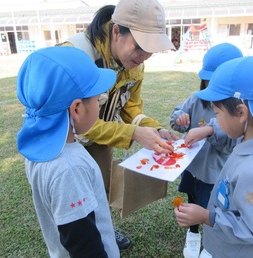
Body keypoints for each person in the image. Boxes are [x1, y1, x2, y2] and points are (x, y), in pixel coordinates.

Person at [58, 0, 179, 249]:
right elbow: (77, 121)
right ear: (117, 31)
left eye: (151, 50)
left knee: (101, 189)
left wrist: (155, 129)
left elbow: (130, 107)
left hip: (104, 136)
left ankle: (105, 233)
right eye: (141, 47)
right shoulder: (76, 56)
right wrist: (134, 133)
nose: (144, 57)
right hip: (65, 141)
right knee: (74, 197)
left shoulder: (136, 65)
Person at [174, 56, 253, 258]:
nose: (216, 122)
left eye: (217, 113)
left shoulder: (252, 172)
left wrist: (207, 217)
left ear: (241, 113)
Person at [16, 46, 120, 258]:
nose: (100, 107)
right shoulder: (69, 170)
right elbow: (85, 247)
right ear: (77, 109)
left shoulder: (38, 150)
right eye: (98, 100)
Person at [170, 43, 243, 258]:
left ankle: (211, 245)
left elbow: (234, 140)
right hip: (192, 168)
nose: (211, 87)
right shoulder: (197, 98)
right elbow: (177, 115)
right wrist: (180, 120)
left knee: (215, 210)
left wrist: (209, 130)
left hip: (216, 174)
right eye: (208, 81)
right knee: (193, 199)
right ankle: (193, 235)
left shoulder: (239, 108)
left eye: (217, 83)